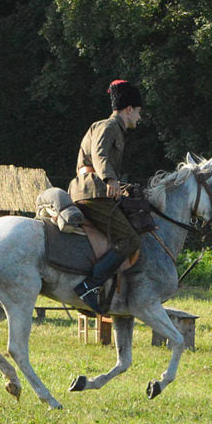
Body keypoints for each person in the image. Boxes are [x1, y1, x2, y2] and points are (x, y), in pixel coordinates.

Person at [68, 79, 143, 313]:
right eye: (138, 112)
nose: (139, 118)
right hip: (93, 192)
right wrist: (110, 179)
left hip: (94, 190)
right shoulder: (108, 126)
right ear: (128, 110)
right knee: (131, 240)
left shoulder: (114, 129)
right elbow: (99, 155)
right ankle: (91, 285)